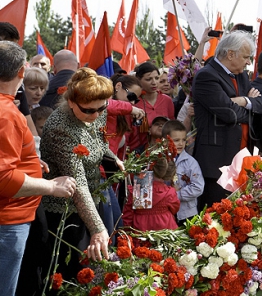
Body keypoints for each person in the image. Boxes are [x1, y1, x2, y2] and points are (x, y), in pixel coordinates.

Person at [0, 40, 76, 296]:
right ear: (22, 71)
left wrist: (29, 161)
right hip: (8, 221)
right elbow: (5, 179)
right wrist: (52, 186)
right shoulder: (6, 113)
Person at [41, 68, 123, 279]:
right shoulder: (61, 128)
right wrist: (97, 228)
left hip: (92, 198)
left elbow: (98, 142)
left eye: (102, 108)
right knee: (74, 273)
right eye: (89, 111)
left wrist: (113, 157)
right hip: (64, 211)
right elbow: (77, 184)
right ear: (71, 102)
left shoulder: (96, 110)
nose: (96, 115)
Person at [192, 31, 262, 209]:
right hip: (218, 163)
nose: (249, 62)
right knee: (215, 220)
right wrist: (249, 107)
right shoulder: (206, 76)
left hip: (243, 161)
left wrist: (242, 101)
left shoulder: (240, 75)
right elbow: (228, 114)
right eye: (246, 57)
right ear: (231, 54)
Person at [122, 152, 180, 231]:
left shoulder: (139, 189)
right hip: (164, 231)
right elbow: (175, 208)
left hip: (141, 230)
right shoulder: (169, 192)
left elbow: (128, 214)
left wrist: (127, 232)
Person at [162, 120, 204, 225]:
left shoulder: (191, 163)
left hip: (186, 213)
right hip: (163, 212)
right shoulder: (159, 161)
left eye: (184, 140)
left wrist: (176, 195)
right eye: (176, 140)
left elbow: (198, 187)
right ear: (165, 141)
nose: (181, 143)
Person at [129, 62, 175, 152]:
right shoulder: (133, 102)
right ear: (138, 80)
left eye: (157, 78)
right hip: (137, 153)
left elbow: (171, 127)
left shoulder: (167, 101)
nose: (154, 82)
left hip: (163, 151)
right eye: (148, 79)